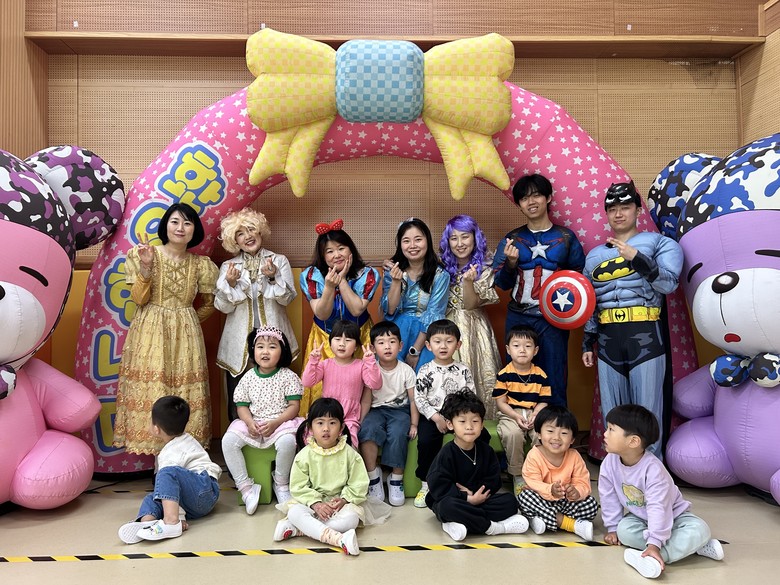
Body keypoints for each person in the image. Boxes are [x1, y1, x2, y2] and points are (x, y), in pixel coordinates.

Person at [581, 181, 683, 458]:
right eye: (612, 208)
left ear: (638, 210)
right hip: (607, 341)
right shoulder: (594, 256)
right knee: (613, 415)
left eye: (625, 207)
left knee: (648, 413)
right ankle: (618, 474)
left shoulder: (660, 243)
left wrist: (637, 258)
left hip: (645, 336)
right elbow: (591, 301)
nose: (618, 213)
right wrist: (587, 341)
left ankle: (652, 475)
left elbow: (668, 284)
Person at [114, 202, 218, 453]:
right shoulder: (144, 254)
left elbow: (210, 303)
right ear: (165, 226)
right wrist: (146, 268)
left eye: (187, 223)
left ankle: (182, 458)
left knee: (184, 392)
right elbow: (139, 299)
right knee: (153, 387)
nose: (180, 228)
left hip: (186, 336)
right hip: (149, 332)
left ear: (195, 230)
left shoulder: (201, 264)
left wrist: (188, 320)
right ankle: (157, 461)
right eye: (175, 221)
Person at [599, 404, 725, 579]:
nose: (605, 434)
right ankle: (694, 547)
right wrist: (612, 527)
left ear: (633, 441)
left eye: (611, 430)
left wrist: (655, 543)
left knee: (700, 530)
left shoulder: (653, 470)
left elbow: (658, 507)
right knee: (624, 530)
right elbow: (608, 496)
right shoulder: (609, 462)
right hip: (642, 519)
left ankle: (654, 558)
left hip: (674, 516)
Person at [492, 174, 585, 408]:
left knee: (554, 376)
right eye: (524, 198)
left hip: (553, 320)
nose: (531, 202)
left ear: (548, 198)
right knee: (516, 378)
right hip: (518, 316)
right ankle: (518, 427)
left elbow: (580, 281)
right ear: (519, 204)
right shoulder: (511, 239)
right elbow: (501, 283)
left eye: (536, 195)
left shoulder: (566, 237)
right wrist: (511, 264)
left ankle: (555, 428)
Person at [215, 208, 298, 421]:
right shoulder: (228, 267)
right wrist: (230, 284)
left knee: (278, 396)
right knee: (239, 398)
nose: (248, 236)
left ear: (260, 231)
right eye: (240, 233)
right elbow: (223, 307)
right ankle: (239, 437)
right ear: (234, 240)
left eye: (251, 229)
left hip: (274, 339)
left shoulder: (279, 261)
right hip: (239, 344)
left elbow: (287, 299)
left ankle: (277, 435)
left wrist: (272, 278)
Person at [424, 390, 529, 541]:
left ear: (482, 425)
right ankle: (491, 527)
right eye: (462, 421)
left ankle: (458, 522)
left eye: (475, 421)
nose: (469, 427)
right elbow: (438, 485)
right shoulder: (446, 454)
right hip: (456, 500)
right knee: (446, 506)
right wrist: (466, 498)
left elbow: (494, 480)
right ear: (450, 424)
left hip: (480, 499)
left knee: (510, 501)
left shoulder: (486, 451)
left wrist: (476, 496)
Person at [299, 219, 379, 415]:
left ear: (350, 249)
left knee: (360, 386)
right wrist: (329, 286)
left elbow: (357, 309)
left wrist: (342, 280)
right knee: (322, 388)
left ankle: (359, 425)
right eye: (329, 251)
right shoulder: (311, 275)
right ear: (322, 255)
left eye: (341, 248)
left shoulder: (367, 274)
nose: (336, 255)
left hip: (359, 337)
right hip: (325, 338)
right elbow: (321, 313)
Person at [272, 398, 370, 556]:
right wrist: (316, 504)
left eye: (332, 423)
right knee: (294, 512)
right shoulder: (304, 456)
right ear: (310, 427)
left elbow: (358, 483)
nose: (326, 428)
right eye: (320, 423)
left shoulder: (350, 454)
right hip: (311, 503)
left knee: (351, 520)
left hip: (338, 505)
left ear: (341, 427)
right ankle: (339, 539)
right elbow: (298, 487)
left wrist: (344, 500)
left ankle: (298, 529)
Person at [221, 326, 304, 512]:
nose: (265, 351)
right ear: (253, 351)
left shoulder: (288, 377)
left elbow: (294, 407)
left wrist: (276, 423)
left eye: (272, 347)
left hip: (281, 423)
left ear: (282, 351)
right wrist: (249, 422)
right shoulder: (248, 377)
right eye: (260, 347)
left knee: (288, 442)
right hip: (254, 422)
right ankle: (246, 488)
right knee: (228, 441)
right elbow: (242, 406)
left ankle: (281, 483)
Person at [118, 396, 221, 543]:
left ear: (156, 429)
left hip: (204, 489)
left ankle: (171, 522)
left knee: (166, 473)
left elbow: (174, 480)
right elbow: (174, 489)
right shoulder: (188, 439)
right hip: (198, 499)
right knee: (154, 496)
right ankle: (146, 522)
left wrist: (179, 516)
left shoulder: (169, 454)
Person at [413, 319, 491, 508]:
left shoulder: (463, 370)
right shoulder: (425, 370)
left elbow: (470, 396)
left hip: (459, 418)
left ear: (458, 345)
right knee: (426, 441)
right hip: (434, 417)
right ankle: (426, 483)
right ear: (428, 345)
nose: (443, 346)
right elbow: (419, 398)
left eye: (449, 341)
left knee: (483, 437)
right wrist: (436, 417)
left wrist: (460, 420)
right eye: (437, 341)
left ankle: (475, 478)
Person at [439, 215, 501, 418]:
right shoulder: (441, 266)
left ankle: (481, 422)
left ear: (475, 238)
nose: (459, 243)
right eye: (453, 238)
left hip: (475, 328)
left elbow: (470, 304)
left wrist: (467, 282)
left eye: (465, 236)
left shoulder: (485, 268)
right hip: (447, 327)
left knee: (478, 373)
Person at [358, 321, 419, 506]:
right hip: (376, 410)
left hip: (399, 411)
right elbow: (366, 400)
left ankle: (396, 479)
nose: (387, 346)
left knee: (399, 432)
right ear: (373, 348)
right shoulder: (371, 370)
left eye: (392, 342)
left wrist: (414, 423)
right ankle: (373, 477)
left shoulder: (406, 371)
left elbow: (413, 400)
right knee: (368, 431)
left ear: (400, 346)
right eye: (381, 342)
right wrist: (360, 421)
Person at [517, 405, 599, 540]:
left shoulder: (574, 456)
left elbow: (582, 482)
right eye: (550, 431)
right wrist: (550, 490)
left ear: (572, 439)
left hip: (565, 502)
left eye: (564, 433)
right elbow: (533, 482)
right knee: (525, 497)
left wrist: (576, 492)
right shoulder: (534, 455)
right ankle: (569, 524)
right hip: (541, 499)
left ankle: (541, 519)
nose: (556, 437)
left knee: (591, 504)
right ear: (539, 433)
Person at [381, 217, 449, 371]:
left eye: (418, 239)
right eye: (406, 241)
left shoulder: (440, 275)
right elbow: (390, 311)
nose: (412, 245)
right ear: (400, 245)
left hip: (425, 335)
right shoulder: (392, 271)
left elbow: (434, 313)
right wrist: (396, 282)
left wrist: (415, 350)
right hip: (396, 332)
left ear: (427, 241)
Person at [301, 319, 382, 446]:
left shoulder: (361, 366)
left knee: (349, 445)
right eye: (337, 339)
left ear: (356, 346)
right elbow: (307, 382)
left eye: (348, 340)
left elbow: (375, 384)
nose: (342, 344)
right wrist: (313, 361)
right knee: (309, 441)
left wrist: (370, 362)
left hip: (349, 419)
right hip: (326, 418)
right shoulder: (325, 364)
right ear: (330, 343)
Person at [493, 325, 551, 495]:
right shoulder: (504, 374)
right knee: (513, 434)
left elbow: (544, 401)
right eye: (516, 345)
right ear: (508, 349)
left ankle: (537, 472)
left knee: (541, 435)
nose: (522, 350)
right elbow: (501, 403)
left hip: (535, 412)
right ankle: (517, 475)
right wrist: (515, 416)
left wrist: (536, 414)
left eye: (528, 346)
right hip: (510, 413)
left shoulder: (541, 375)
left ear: (535, 350)